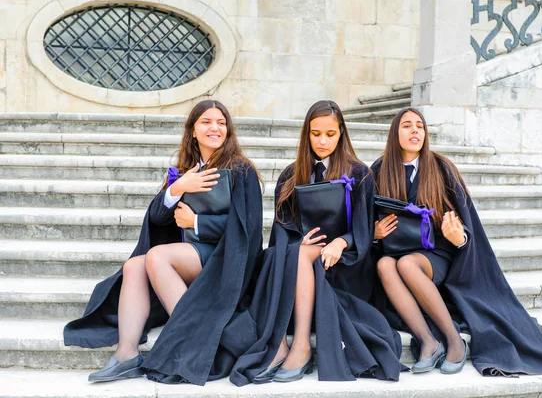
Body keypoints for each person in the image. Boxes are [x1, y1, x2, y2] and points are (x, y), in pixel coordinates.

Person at [63, 100, 264, 385]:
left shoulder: (241, 171)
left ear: (228, 131)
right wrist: (177, 188)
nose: (215, 128)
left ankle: (197, 335)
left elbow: (250, 228)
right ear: (193, 131)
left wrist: (196, 222)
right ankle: (126, 354)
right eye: (206, 122)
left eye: (221, 122)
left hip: (228, 258)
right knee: (134, 265)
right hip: (193, 254)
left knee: (157, 257)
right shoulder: (183, 171)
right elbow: (157, 219)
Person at [372, 107, 542, 376]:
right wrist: (374, 233)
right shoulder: (379, 171)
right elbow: (365, 219)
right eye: (407, 126)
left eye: (420, 126)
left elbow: (466, 225)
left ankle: (454, 342)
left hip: (436, 254)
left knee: (406, 265)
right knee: (385, 266)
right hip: (397, 249)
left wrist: (457, 236)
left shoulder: (441, 168)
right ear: (394, 133)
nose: (415, 131)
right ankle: (428, 341)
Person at [229, 100, 404, 385]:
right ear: (306, 134)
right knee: (287, 255)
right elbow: (282, 228)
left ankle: (300, 346)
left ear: (341, 133)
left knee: (299, 256)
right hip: (303, 256)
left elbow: (363, 228)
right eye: (316, 133)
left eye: (330, 134)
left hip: (346, 264)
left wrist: (341, 242)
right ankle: (287, 345)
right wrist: (299, 241)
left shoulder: (359, 174)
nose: (322, 141)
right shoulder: (291, 175)